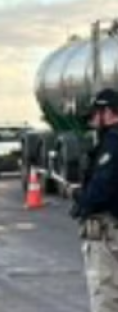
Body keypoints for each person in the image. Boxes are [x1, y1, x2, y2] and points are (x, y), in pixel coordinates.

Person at [70, 88, 118, 312]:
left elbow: (101, 189)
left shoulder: (112, 143)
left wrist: (81, 199)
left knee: (105, 295)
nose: (93, 120)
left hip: (108, 231)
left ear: (108, 112)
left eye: (96, 113)